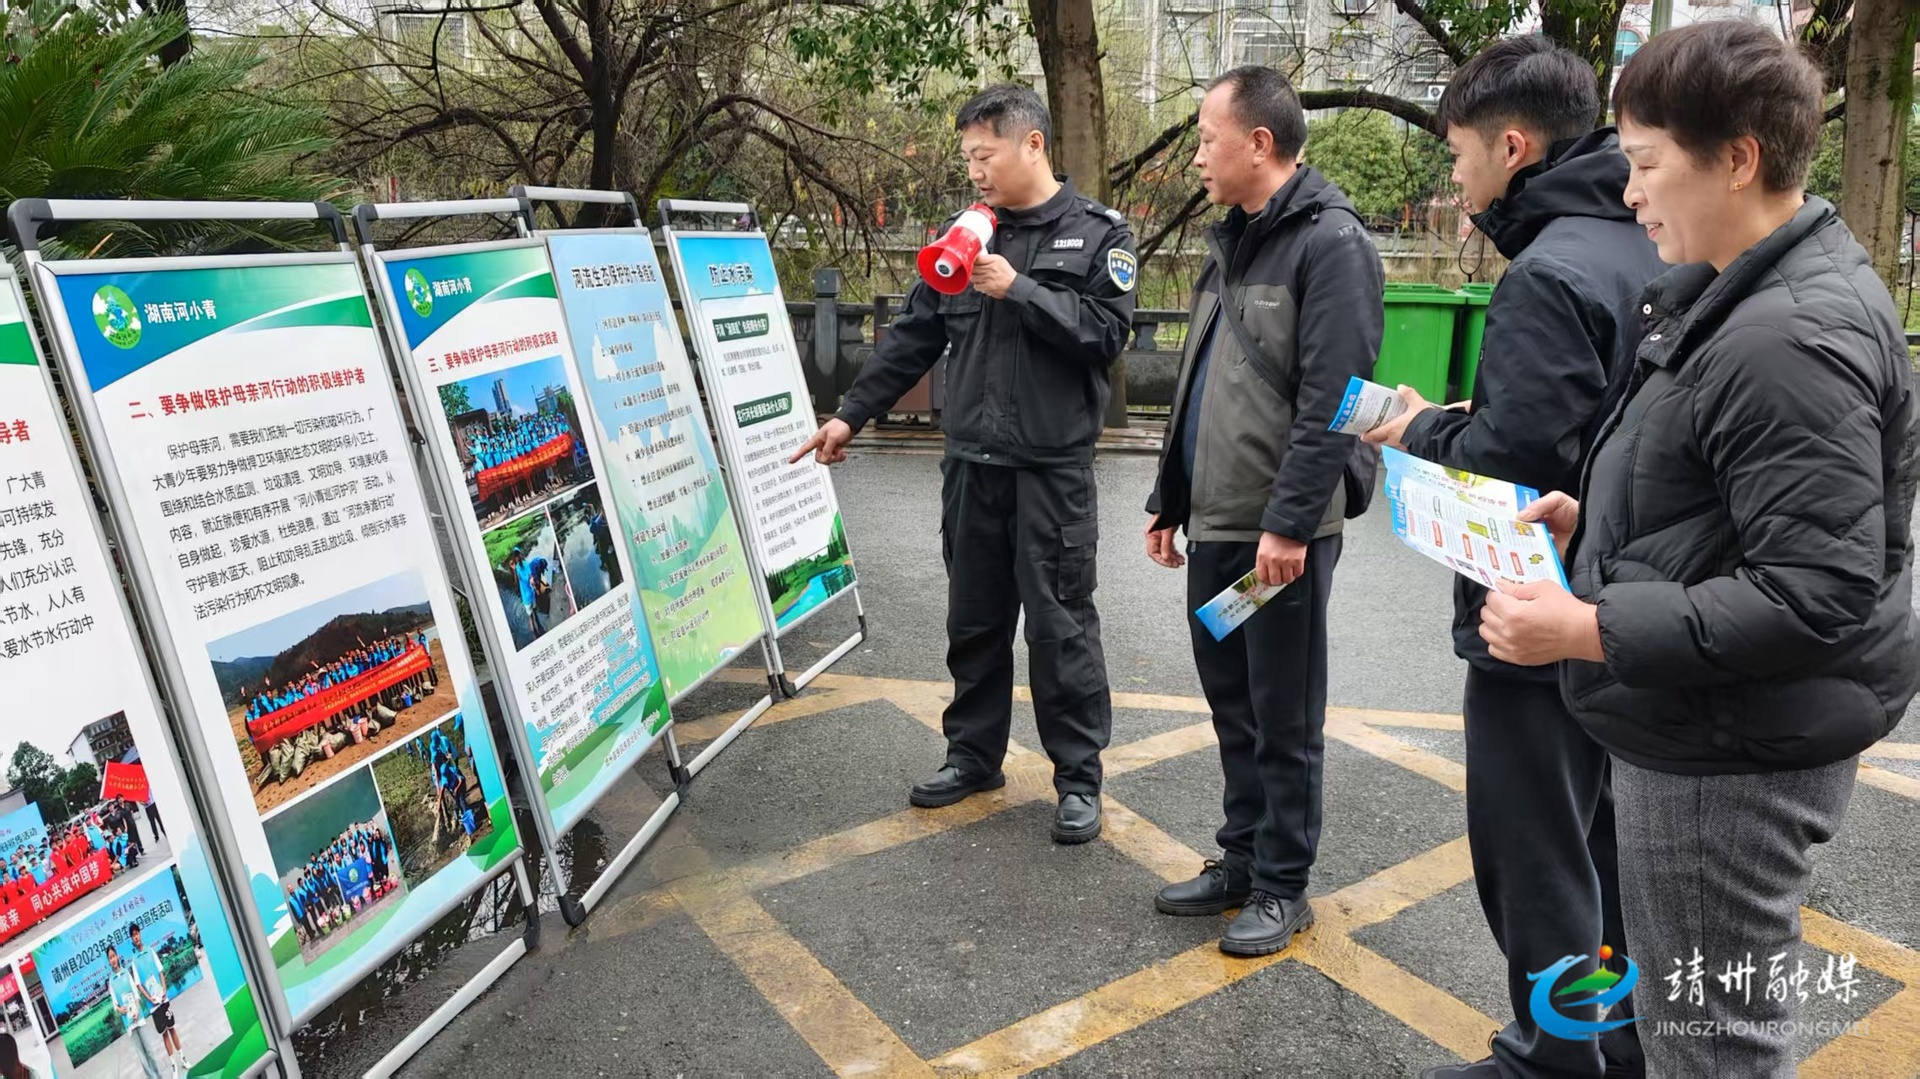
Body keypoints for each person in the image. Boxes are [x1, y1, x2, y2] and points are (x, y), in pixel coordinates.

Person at [1477, 22, 1919, 1077]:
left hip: (1729, 751)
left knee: (1710, 1043)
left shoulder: (1784, 334)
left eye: (1644, 163)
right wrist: (1592, 525)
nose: (1630, 194)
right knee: (1696, 1024)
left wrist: (1587, 623)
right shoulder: (1744, 293)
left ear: (1738, 159)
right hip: (1721, 720)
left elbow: (1814, 591)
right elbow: (1728, 501)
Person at [1358, 36, 1663, 1079]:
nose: (1456, 175)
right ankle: (1617, 1042)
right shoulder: (1647, 241)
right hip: (1624, 603)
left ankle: (1552, 1059)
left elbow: (1516, 457)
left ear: (1514, 146)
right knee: (1607, 844)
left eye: (1458, 153)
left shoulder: (1549, 271)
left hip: (1535, 613)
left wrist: (1421, 428)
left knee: (1535, 854)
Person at [792, 83, 1137, 842]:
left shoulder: (1097, 235)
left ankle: (1078, 778)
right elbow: (913, 336)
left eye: (985, 156)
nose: (975, 172)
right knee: (974, 620)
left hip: (1051, 473)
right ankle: (973, 756)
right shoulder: (965, 234)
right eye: (968, 159)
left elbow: (1106, 337)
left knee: (1061, 628)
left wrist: (1021, 290)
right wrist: (849, 415)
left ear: (1032, 144)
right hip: (972, 467)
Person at [1142, 65, 1383, 956]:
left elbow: (1336, 399)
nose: (1198, 156)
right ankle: (1240, 858)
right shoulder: (1233, 240)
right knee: (1232, 700)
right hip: (1218, 523)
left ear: (1260, 142)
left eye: (1207, 139)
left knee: (1283, 710)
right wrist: (1168, 499)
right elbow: (1200, 381)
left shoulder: (1333, 244)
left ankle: (1284, 883)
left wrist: (1289, 523)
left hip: (1280, 535)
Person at [130, 923, 185, 1076]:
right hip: (153, 1005)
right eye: (133, 935)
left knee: (172, 1027)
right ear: (132, 939)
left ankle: (183, 1058)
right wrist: (149, 998)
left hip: (163, 998)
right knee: (164, 1033)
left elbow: (161, 971)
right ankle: (173, 1066)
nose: (136, 937)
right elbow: (138, 985)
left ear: (140, 934)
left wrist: (164, 989)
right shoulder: (134, 961)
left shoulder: (150, 951)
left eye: (137, 933)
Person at [106, 945, 162, 1079]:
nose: (113, 959)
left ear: (117, 956)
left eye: (114, 956)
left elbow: (136, 995)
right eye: (110, 958)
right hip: (129, 1023)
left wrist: (136, 1010)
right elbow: (115, 1004)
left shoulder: (126, 973)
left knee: (149, 1050)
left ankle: (159, 1076)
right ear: (109, 961)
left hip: (139, 1018)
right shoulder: (111, 982)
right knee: (142, 1056)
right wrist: (120, 1009)